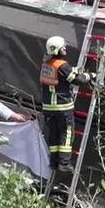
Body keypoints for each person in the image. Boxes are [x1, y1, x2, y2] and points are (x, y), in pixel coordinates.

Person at [39, 35, 91, 172]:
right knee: (67, 133)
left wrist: (71, 70)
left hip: (48, 107)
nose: (65, 48)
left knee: (54, 134)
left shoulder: (46, 65)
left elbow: (61, 75)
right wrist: (89, 76)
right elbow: (77, 80)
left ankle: (54, 162)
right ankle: (65, 163)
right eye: (63, 46)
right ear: (57, 50)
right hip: (63, 107)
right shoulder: (63, 66)